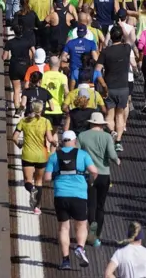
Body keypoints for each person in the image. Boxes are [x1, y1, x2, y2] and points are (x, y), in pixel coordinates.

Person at [44, 129, 98, 270]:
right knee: (81, 225)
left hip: (60, 195)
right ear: (75, 141)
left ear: (62, 141)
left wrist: (58, 176)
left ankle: (65, 260)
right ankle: (80, 247)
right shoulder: (83, 154)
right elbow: (94, 171)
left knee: (63, 228)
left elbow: (47, 178)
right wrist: (90, 181)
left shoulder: (54, 156)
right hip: (79, 195)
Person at [78, 110, 119, 247]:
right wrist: (117, 160)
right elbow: (112, 155)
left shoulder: (82, 136)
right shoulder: (107, 137)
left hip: (88, 174)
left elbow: (77, 153)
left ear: (91, 123)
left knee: (91, 204)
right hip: (104, 174)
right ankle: (97, 236)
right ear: (102, 124)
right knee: (100, 206)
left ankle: (92, 227)